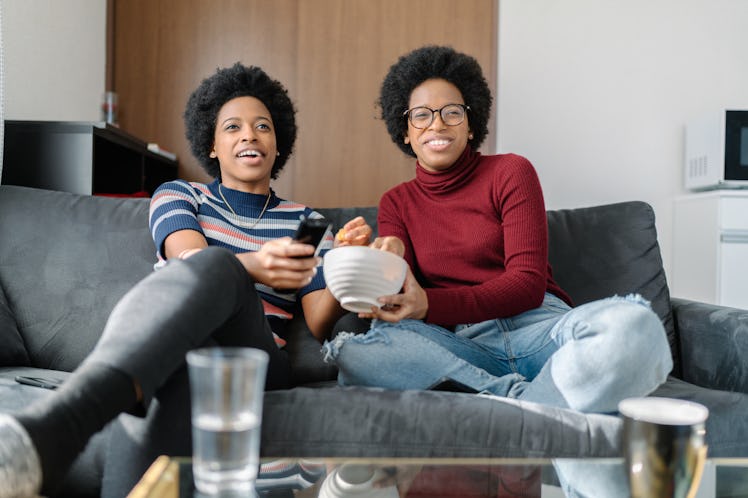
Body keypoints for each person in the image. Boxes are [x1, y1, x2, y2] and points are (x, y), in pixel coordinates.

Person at [0, 62, 370, 498]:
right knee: (178, 370)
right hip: (182, 351)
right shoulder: (180, 194)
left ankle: (68, 420)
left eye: (263, 127)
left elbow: (320, 321)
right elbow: (188, 258)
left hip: (254, 363)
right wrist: (254, 263)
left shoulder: (306, 223)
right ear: (212, 145)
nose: (249, 135)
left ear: (277, 143)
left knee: (218, 272)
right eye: (232, 127)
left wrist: (349, 266)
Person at [322, 45, 673, 415]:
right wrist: (370, 261)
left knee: (635, 326)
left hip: (540, 330)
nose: (437, 125)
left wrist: (430, 302)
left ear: (471, 124)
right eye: (421, 115)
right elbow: (399, 296)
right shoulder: (396, 202)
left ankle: (508, 412)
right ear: (405, 131)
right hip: (461, 346)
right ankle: (531, 405)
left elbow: (526, 284)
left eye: (452, 113)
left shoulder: (511, 172)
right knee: (359, 354)